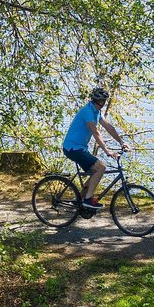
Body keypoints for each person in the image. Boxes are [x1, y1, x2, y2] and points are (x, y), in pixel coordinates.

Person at [62, 86, 126, 214]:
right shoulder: (87, 112)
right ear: (96, 101)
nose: (103, 104)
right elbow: (96, 133)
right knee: (101, 167)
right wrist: (107, 151)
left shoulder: (97, 112)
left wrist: (122, 142)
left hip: (80, 148)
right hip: (73, 148)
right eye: (102, 101)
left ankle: (79, 198)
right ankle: (88, 199)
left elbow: (109, 127)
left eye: (104, 101)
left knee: (96, 170)